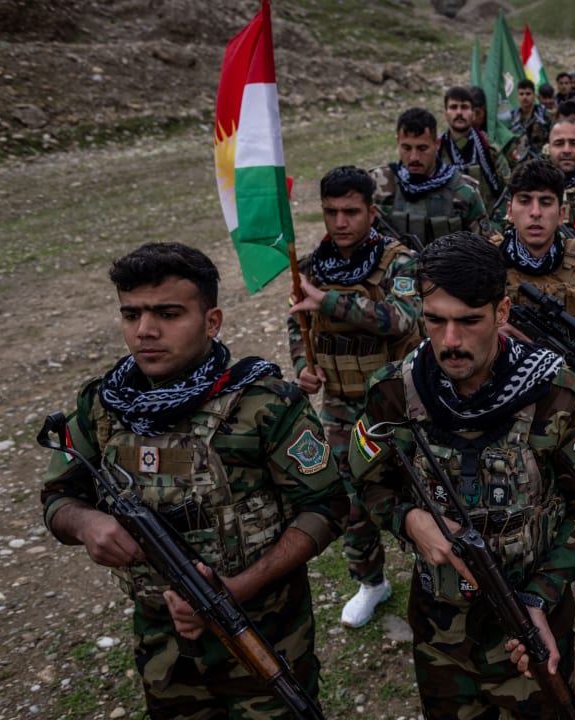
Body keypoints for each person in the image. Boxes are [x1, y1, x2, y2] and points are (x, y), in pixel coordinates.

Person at [41, 243, 347, 718]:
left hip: (263, 630)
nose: (145, 330)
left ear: (211, 321)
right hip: (163, 642)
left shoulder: (264, 404)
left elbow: (327, 506)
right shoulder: (104, 405)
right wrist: (85, 524)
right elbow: (59, 495)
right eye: (131, 314)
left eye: (168, 314)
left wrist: (241, 586)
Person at [349, 233, 575, 718]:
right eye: (435, 320)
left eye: (469, 320)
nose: (450, 341)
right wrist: (409, 519)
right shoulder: (394, 393)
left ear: (501, 312)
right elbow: (367, 480)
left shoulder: (554, 393)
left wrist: (542, 595)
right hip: (440, 626)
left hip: (530, 623)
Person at [493, 158, 575, 627]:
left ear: (562, 211)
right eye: (525, 202)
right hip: (505, 409)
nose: (535, 213)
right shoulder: (487, 265)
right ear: (509, 209)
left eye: (546, 203)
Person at [287, 166, 420, 629]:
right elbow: (297, 325)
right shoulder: (308, 269)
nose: (340, 222)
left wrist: (328, 301)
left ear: (371, 212)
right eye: (331, 212)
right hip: (341, 408)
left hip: (399, 405)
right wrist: (303, 368)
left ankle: (434, 573)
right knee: (351, 502)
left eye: (351, 211)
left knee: (419, 493)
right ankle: (371, 582)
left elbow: (401, 319)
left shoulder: (399, 263)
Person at [370, 107, 489, 244]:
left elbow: (486, 245)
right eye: (406, 148)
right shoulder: (379, 182)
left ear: (437, 144)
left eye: (422, 148)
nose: (414, 157)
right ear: (398, 142)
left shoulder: (464, 190)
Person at [438, 86, 511, 219]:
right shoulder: (436, 150)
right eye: (453, 107)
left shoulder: (488, 147)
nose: (459, 112)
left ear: (473, 113)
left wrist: (497, 223)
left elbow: (508, 190)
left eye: (464, 107)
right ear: (446, 113)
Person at [510, 78, 550, 161]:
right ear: (517, 96)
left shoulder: (544, 115)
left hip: (541, 160)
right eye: (521, 94)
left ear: (534, 95)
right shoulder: (512, 117)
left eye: (528, 94)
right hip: (519, 161)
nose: (524, 97)